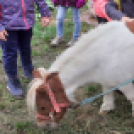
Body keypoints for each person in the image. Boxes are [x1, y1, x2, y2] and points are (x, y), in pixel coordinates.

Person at [0, 0, 50, 99]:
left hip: (26, 22)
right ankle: (12, 80)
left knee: (26, 48)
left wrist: (45, 14)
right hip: (7, 26)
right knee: (10, 54)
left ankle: (28, 70)